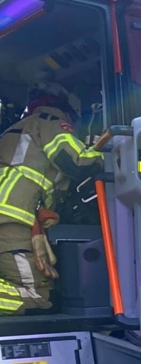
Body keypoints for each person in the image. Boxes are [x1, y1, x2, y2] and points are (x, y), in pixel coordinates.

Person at [0, 82, 104, 315]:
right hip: (13, 220)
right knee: (37, 296)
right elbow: (75, 160)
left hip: (10, 216)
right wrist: (113, 154)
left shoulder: (15, 129)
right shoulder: (50, 121)